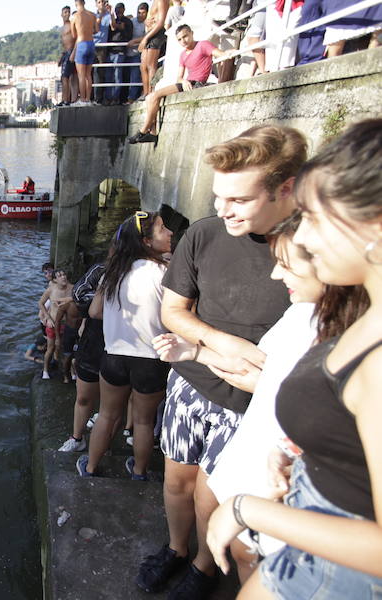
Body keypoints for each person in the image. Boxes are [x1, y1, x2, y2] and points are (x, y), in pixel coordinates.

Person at [206, 119, 382, 599]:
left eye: (315, 217)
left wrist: (247, 509)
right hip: (309, 545)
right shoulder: (357, 313)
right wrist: (309, 457)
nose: (301, 237)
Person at [135, 125, 306, 598]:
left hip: (248, 405)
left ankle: (205, 568)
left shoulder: (308, 253)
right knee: (176, 481)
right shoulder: (205, 235)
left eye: (238, 199)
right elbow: (173, 311)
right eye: (217, 196)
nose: (221, 209)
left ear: (285, 188)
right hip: (191, 381)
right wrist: (222, 345)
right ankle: (175, 548)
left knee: (212, 495)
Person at [154, 213, 366, 583]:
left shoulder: (355, 348)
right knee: (238, 546)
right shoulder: (301, 318)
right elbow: (271, 383)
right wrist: (196, 353)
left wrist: (243, 510)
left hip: (296, 527)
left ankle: (202, 570)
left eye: (285, 263)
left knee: (239, 543)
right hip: (272, 489)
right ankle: (184, 554)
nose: (275, 274)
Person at [77, 211, 173, 480]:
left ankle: (92, 467)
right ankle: (139, 472)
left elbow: (94, 312)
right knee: (143, 420)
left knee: (107, 415)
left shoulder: (114, 272)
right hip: (151, 359)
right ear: (146, 241)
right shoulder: (165, 272)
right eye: (163, 229)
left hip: (115, 355)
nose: (170, 233)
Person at [128, 26, 226, 144]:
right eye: (179, 39)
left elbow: (219, 54)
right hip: (187, 83)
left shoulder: (203, 45)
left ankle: (142, 131)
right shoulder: (183, 54)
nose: (183, 41)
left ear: (191, 33)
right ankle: (152, 133)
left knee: (153, 96)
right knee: (150, 97)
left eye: (185, 36)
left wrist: (227, 55)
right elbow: (179, 77)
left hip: (197, 83)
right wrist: (184, 81)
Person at [58, 259, 107, 453]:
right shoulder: (101, 270)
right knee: (83, 396)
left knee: (112, 405)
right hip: (93, 343)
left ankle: (105, 443)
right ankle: (77, 437)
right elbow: (80, 297)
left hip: (124, 348)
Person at [38, 269, 73, 380]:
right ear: (54, 280)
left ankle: (70, 372)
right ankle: (45, 371)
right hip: (53, 324)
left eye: (64, 274)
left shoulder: (72, 288)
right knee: (51, 348)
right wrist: (47, 317)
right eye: (59, 276)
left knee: (67, 349)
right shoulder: (51, 290)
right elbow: (40, 303)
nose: (63, 277)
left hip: (67, 324)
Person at [138, 0, 168, 97]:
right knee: (143, 66)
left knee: (151, 65)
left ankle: (151, 92)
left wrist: (145, 38)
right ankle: (146, 93)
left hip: (156, 33)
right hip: (151, 32)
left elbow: (160, 23)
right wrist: (146, 22)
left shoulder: (162, 1)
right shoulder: (154, 2)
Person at [72, 0, 98, 104]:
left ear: (76, 4)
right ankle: (88, 98)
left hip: (81, 43)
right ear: (84, 3)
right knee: (88, 74)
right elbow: (96, 30)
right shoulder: (92, 15)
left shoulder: (75, 16)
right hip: (91, 43)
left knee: (81, 75)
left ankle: (82, 99)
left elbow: (74, 35)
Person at [106, 3, 133, 105]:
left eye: (120, 9)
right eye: (117, 10)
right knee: (109, 76)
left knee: (118, 76)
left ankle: (116, 97)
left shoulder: (128, 22)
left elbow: (129, 36)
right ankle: (108, 97)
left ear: (124, 9)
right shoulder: (112, 20)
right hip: (110, 51)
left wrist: (122, 29)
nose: (118, 11)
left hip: (120, 51)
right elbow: (112, 28)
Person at [125, 3, 149, 101]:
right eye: (139, 13)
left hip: (138, 53)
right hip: (127, 52)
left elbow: (147, 37)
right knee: (125, 75)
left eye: (143, 13)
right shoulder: (132, 21)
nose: (141, 15)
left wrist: (135, 41)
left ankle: (131, 98)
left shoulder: (147, 24)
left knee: (135, 75)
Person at [58, 5, 79, 106]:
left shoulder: (72, 25)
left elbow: (78, 38)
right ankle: (66, 99)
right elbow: (63, 43)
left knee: (65, 77)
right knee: (67, 77)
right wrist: (61, 56)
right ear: (61, 14)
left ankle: (66, 99)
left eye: (68, 12)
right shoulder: (62, 28)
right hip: (66, 53)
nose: (67, 14)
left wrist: (74, 52)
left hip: (71, 52)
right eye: (65, 12)